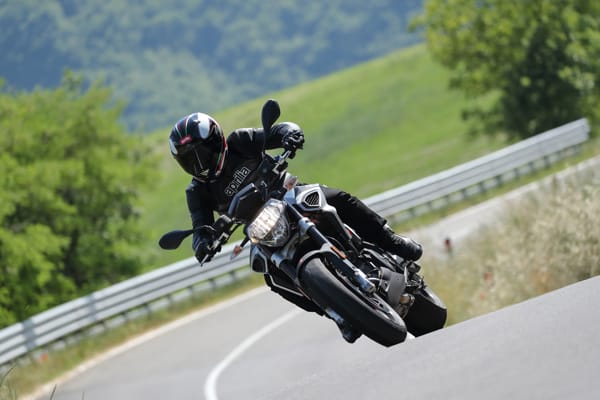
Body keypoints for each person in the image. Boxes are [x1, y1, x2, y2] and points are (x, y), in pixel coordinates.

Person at [168, 111, 423, 342]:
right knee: (272, 276)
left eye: (202, 153)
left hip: (288, 196)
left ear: (217, 142)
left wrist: (290, 135)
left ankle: (391, 241)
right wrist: (202, 243)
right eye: (189, 160)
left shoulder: (239, 141)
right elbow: (200, 224)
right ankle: (337, 313)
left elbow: (276, 132)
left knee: (337, 199)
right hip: (260, 228)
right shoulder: (197, 192)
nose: (199, 163)